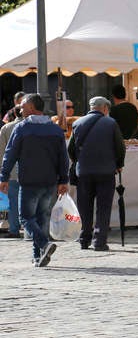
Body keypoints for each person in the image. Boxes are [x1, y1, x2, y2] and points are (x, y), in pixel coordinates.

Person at [0, 94, 69, 267]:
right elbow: (63, 157)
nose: (20, 109)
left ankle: (44, 245)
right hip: (50, 181)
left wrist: (4, 176)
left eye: (23, 106)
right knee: (42, 217)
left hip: (30, 180)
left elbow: (10, 154)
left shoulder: (23, 128)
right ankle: (38, 256)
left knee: (26, 218)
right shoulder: (55, 129)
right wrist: (63, 180)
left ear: (31, 107)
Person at [68, 96, 126, 251]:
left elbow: (71, 149)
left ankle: (84, 238)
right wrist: (119, 164)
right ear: (105, 108)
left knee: (84, 206)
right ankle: (99, 241)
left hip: (84, 172)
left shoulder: (77, 123)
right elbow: (120, 147)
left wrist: (79, 161)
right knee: (103, 207)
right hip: (106, 171)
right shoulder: (111, 123)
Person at [0, 105, 24, 238]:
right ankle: (28, 228)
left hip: (11, 172)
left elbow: (1, 152)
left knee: (13, 202)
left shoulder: (6, 128)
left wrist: (2, 172)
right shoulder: (30, 127)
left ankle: (14, 229)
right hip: (30, 171)